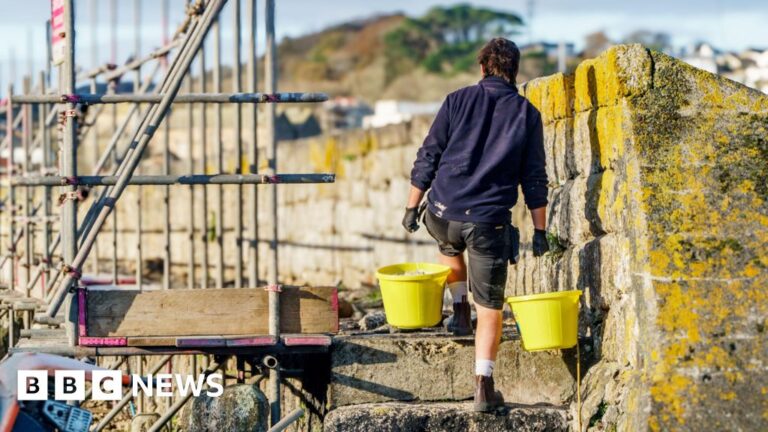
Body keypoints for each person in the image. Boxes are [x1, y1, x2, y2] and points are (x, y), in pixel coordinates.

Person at [402, 37, 550, 412]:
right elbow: (534, 178)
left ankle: (458, 308)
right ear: (514, 72)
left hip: (442, 210)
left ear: (482, 67)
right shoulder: (527, 114)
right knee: (493, 309)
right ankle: (483, 386)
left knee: (447, 245)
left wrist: (411, 206)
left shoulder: (456, 100)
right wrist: (542, 231)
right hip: (488, 223)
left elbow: (428, 155)